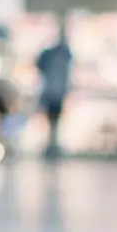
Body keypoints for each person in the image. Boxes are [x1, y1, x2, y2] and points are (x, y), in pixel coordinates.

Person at [35, 26, 74, 158]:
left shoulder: (64, 54)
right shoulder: (58, 54)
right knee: (51, 120)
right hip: (53, 92)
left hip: (55, 92)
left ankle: (52, 144)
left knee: (54, 121)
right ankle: (51, 144)